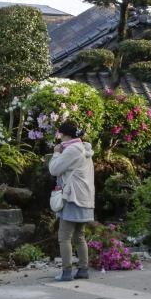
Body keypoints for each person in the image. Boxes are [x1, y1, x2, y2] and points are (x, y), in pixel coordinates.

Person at [48, 120, 95, 282]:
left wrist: (56, 153)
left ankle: (66, 272)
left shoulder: (71, 149)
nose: (59, 138)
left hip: (72, 197)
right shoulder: (83, 148)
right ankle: (83, 269)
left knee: (64, 236)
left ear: (65, 134)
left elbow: (54, 169)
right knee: (79, 236)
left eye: (60, 134)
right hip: (85, 198)